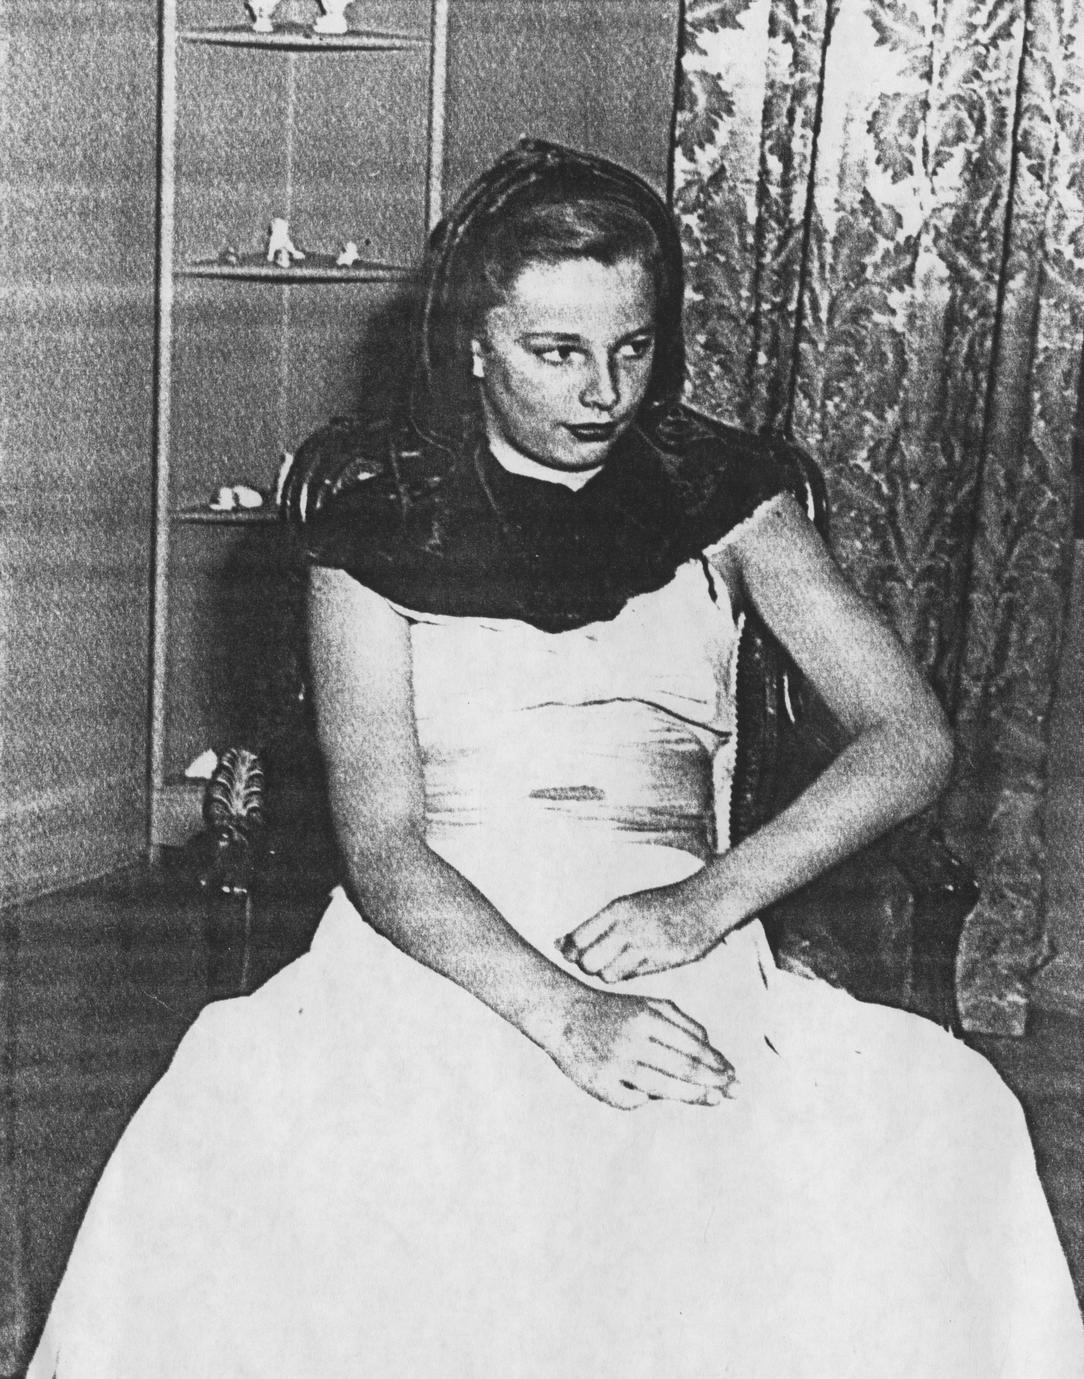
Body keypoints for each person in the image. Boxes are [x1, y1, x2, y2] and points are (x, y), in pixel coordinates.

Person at [29, 140, 1084, 1378]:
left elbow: (909, 738)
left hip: (676, 930)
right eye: (556, 351)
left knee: (930, 1127)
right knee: (362, 1158)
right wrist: (566, 1015)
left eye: (631, 347)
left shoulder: (730, 501)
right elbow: (383, 846)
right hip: (440, 941)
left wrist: (706, 902)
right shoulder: (372, 529)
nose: (602, 391)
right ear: (474, 345)